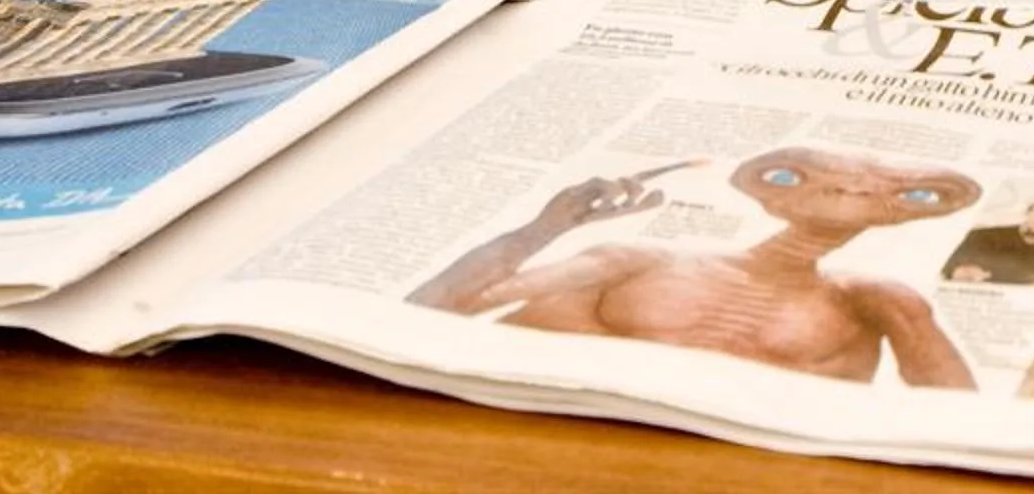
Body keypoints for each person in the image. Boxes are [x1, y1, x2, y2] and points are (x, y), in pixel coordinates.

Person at [410, 147, 983, 387]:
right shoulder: (631, 260)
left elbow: (960, 421)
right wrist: (546, 227)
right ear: (773, 194)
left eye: (882, 190)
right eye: (825, 179)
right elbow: (430, 311)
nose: (854, 188)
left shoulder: (878, 299)